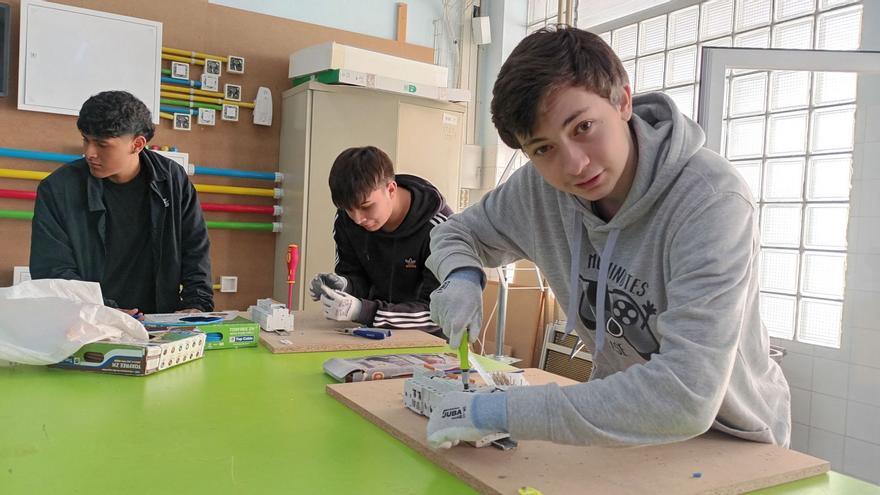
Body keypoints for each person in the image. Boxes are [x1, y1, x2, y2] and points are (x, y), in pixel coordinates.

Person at [424, 26, 791, 449]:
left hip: (731, 435)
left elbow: (685, 396)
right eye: (543, 148)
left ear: (623, 101)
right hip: (625, 418)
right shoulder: (539, 191)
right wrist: (461, 277)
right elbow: (456, 232)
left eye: (583, 127)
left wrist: (500, 410)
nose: (575, 164)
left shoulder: (710, 200)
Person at [30, 90, 214, 318]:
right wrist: (103, 310)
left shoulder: (172, 179)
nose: (89, 153)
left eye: (102, 145)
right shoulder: (58, 189)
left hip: (160, 320)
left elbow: (195, 247)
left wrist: (197, 304)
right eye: (85, 140)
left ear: (137, 144)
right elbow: (52, 269)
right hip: (88, 322)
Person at [310, 146, 452, 333]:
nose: (358, 219)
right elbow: (359, 279)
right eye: (349, 209)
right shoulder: (347, 220)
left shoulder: (440, 229)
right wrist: (345, 285)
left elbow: (439, 314)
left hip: (430, 344)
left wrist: (364, 311)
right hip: (373, 335)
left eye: (366, 206)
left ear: (391, 189)